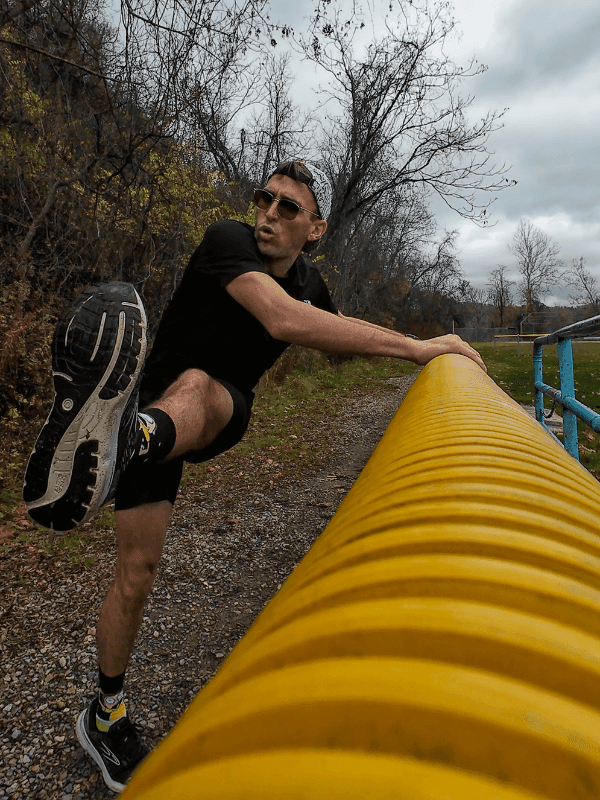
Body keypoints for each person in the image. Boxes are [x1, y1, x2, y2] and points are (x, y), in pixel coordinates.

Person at [23, 160, 486, 792]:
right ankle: (105, 712)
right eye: (263, 199)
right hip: (143, 412)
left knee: (211, 390)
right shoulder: (228, 241)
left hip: (208, 412)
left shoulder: (312, 284)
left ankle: (117, 451)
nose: (267, 213)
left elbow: (333, 335)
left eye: (287, 207)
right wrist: (416, 346)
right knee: (137, 574)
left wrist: (425, 353)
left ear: (315, 228)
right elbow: (283, 320)